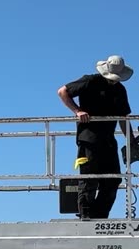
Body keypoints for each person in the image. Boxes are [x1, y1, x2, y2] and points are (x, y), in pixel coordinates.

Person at [57, 55, 133, 219]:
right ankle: (86, 216)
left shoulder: (120, 90)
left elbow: (123, 118)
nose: (113, 81)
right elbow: (62, 92)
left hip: (108, 140)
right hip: (88, 139)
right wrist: (77, 111)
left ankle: (99, 215)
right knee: (89, 179)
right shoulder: (90, 81)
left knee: (113, 180)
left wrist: (131, 139)